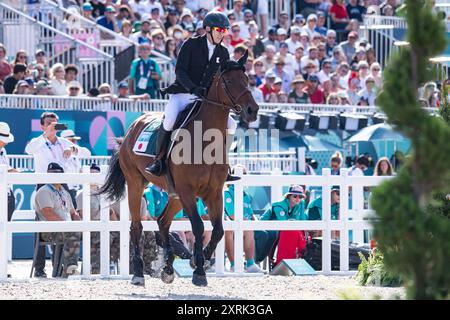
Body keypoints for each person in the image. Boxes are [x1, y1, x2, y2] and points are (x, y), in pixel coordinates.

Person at [147, 11, 239, 181]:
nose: (222, 34)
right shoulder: (191, 44)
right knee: (169, 120)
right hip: (183, 93)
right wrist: (193, 88)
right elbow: (180, 71)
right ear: (208, 29)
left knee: (231, 123)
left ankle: (224, 165)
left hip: (205, 99)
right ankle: (159, 160)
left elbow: (224, 77)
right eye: (219, 29)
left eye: (225, 31)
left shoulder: (224, 53)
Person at [34, 163, 82, 277]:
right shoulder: (44, 191)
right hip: (48, 231)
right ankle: (69, 267)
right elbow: (48, 213)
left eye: (58, 173)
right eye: (53, 173)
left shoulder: (65, 193)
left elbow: (73, 212)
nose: (56, 176)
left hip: (64, 228)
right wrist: (68, 226)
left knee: (91, 234)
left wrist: (81, 224)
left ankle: (93, 268)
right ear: (48, 175)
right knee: (73, 234)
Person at [75, 163, 121, 274]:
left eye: (96, 174)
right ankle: (97, 268)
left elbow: (110, 212)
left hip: (105, 224)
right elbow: (83, 215)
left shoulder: (104, 194)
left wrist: (117, 227)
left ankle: (115, 264)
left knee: (122, 236)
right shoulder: (82, 194)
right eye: (92, 174)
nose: (94, 177)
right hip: (91, 225)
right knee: (101, 236)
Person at [255, 185, 308, 268]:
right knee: (277, 234)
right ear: (288, 196)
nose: (298, 199)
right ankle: (263, 260)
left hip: (280, 230)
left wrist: (302, 205)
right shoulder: (279, 205)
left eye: (300, 197)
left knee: (295, 234)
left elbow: (302, 221)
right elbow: (283, 223)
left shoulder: (299, 204)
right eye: (295, 196)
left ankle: (290, 261)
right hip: (265, 229)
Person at [224, 165, 262, 273]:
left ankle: (250, 263)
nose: (243, 177)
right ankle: (234, 264)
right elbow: (231, 215)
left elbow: (250, 213)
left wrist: (255, 220)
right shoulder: (227, 193)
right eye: (242, 174)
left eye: (245, 174)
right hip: (230, 223)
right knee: (229, 231)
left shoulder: (246, 195)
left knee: (250, 228)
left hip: (244, 223)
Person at [0, 122, 18, 222]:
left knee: (7, 221)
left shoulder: (3, 151)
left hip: (6, 192)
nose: (5, 143)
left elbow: (5, 167)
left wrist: (11, 170)